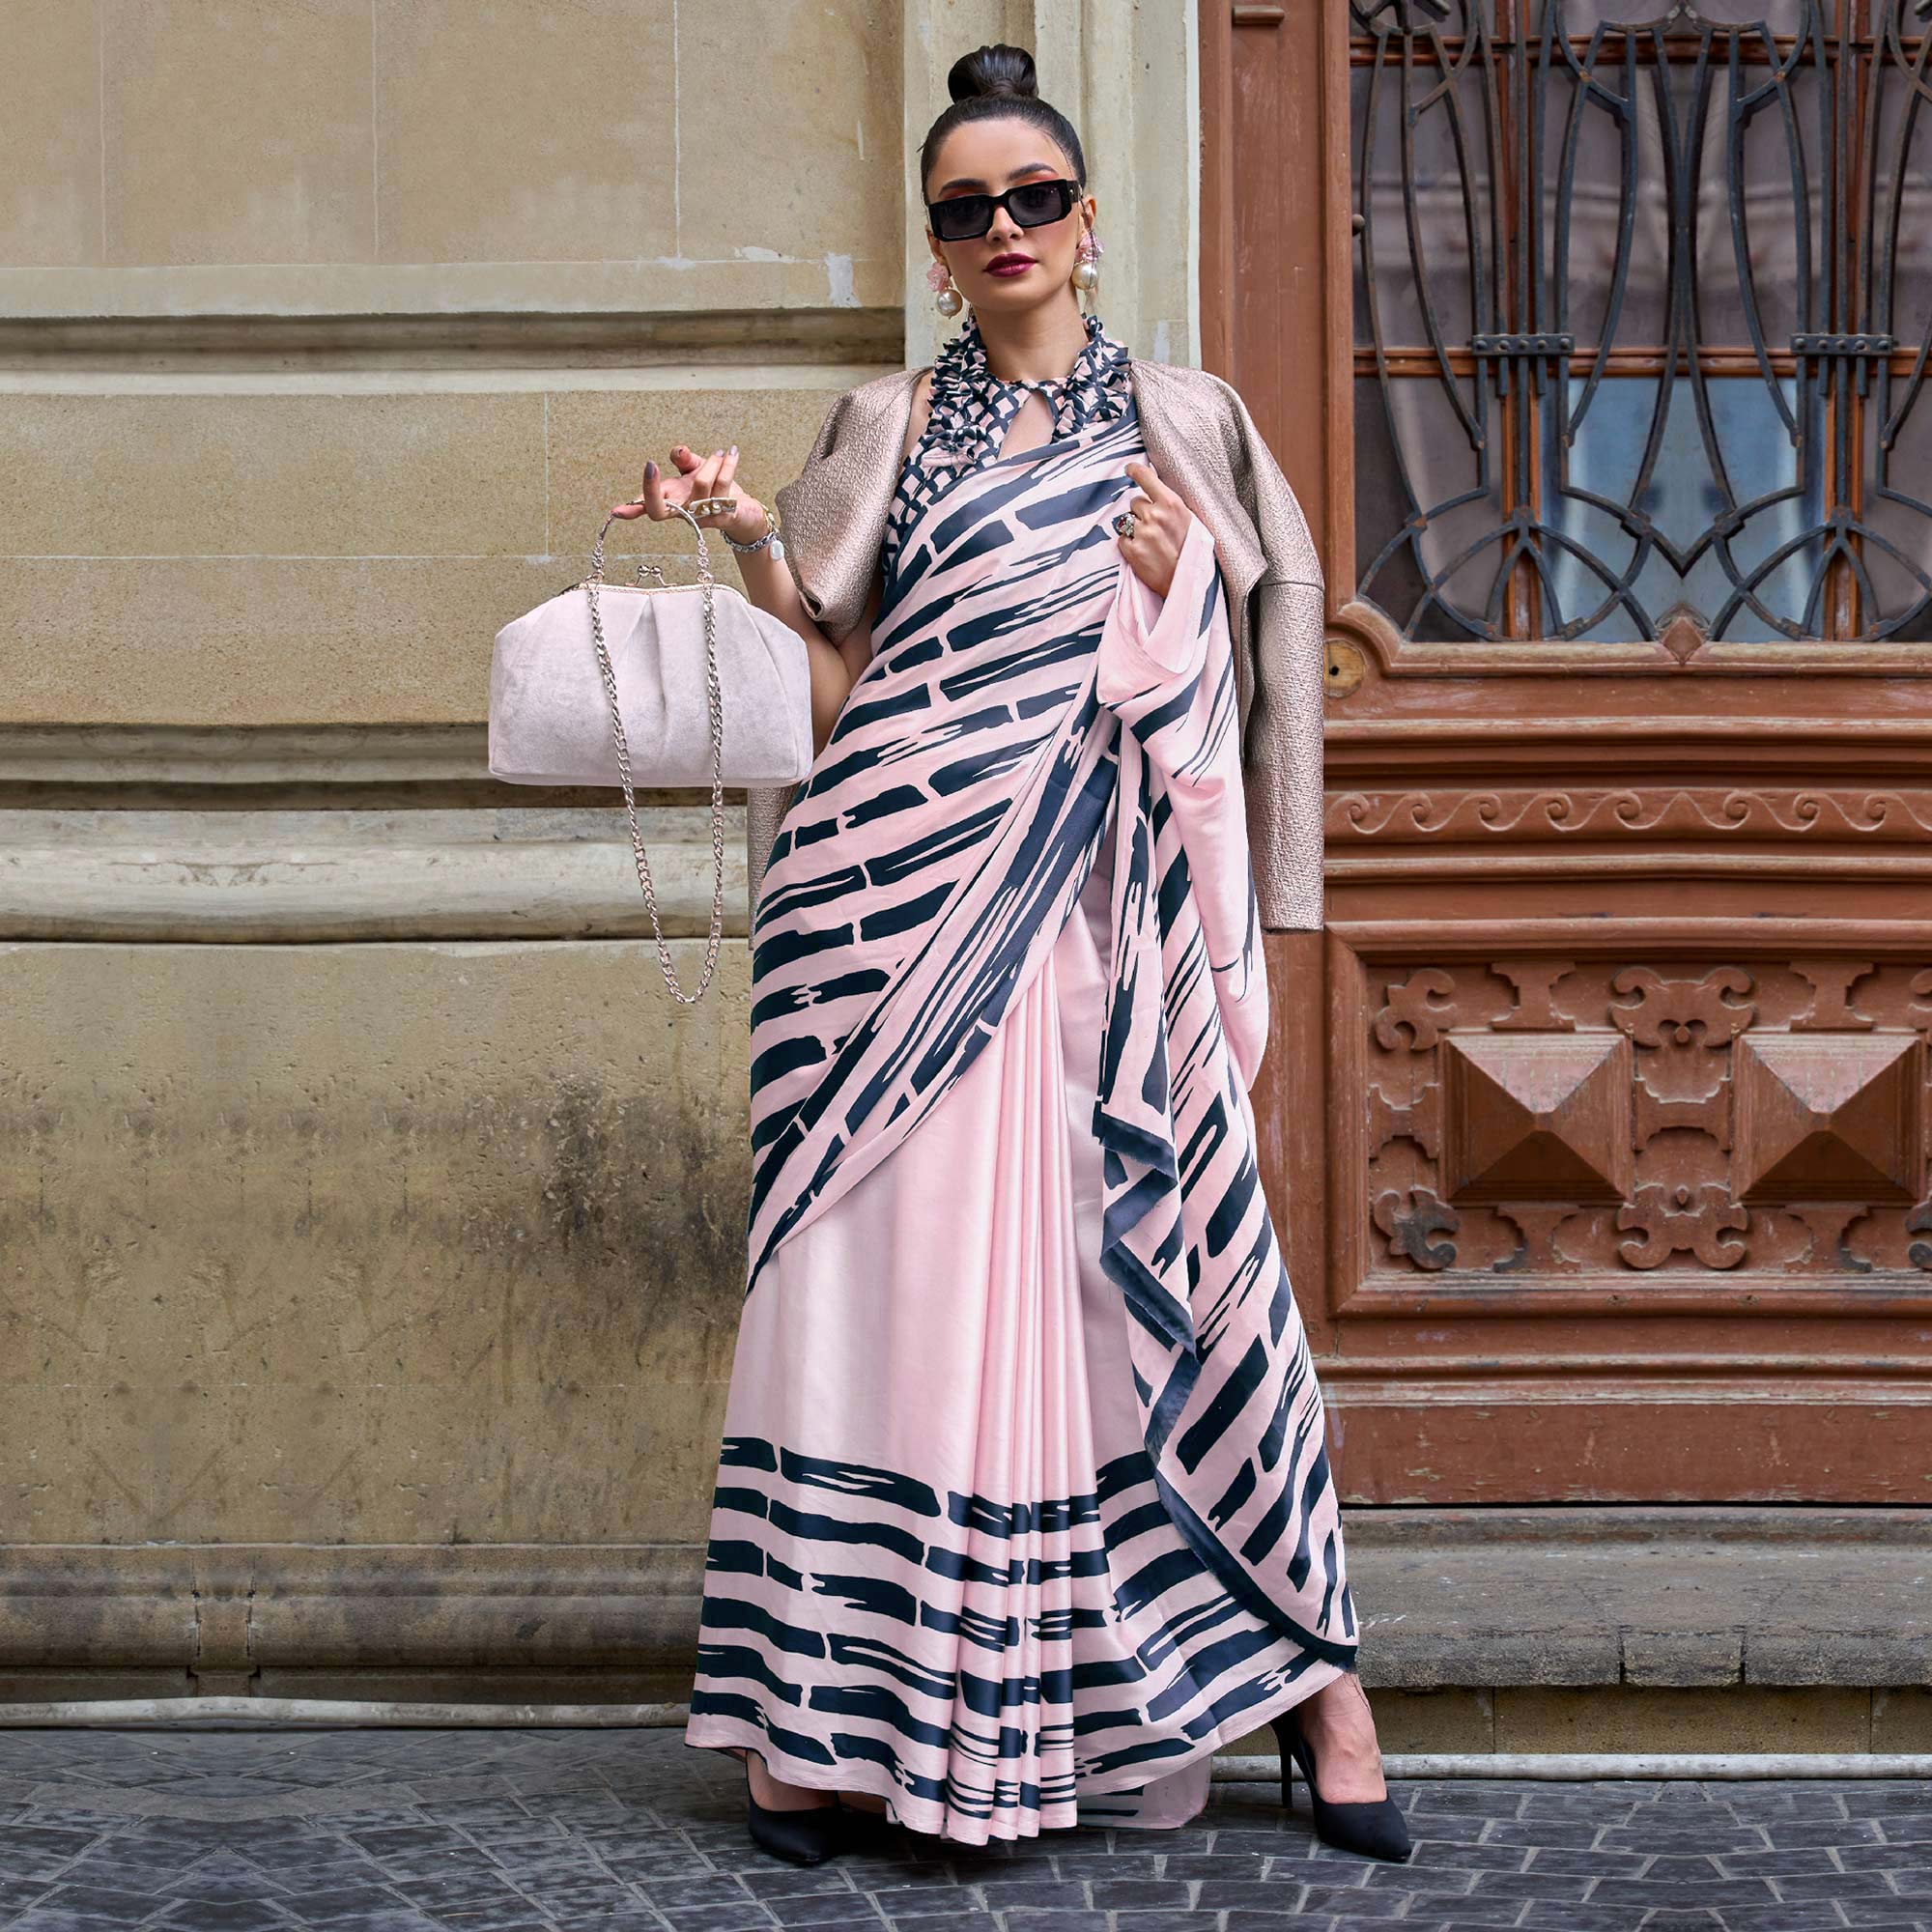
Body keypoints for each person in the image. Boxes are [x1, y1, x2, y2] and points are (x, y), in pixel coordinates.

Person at [613, 41, 1407, 1868]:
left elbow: (1237, 684)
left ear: (1087, 219)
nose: (1003, 230)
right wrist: (752, 542)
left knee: (1186, 1282)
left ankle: (1314, 1683)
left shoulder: (1187, 422)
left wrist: (1165, 609)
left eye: (1034, 198)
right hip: (875, 919)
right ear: (938, 238)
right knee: (872, 1298)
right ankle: (824, 1720)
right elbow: (834, 689)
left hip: (1095, 917)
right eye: (966, 210)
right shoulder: (884, 427)